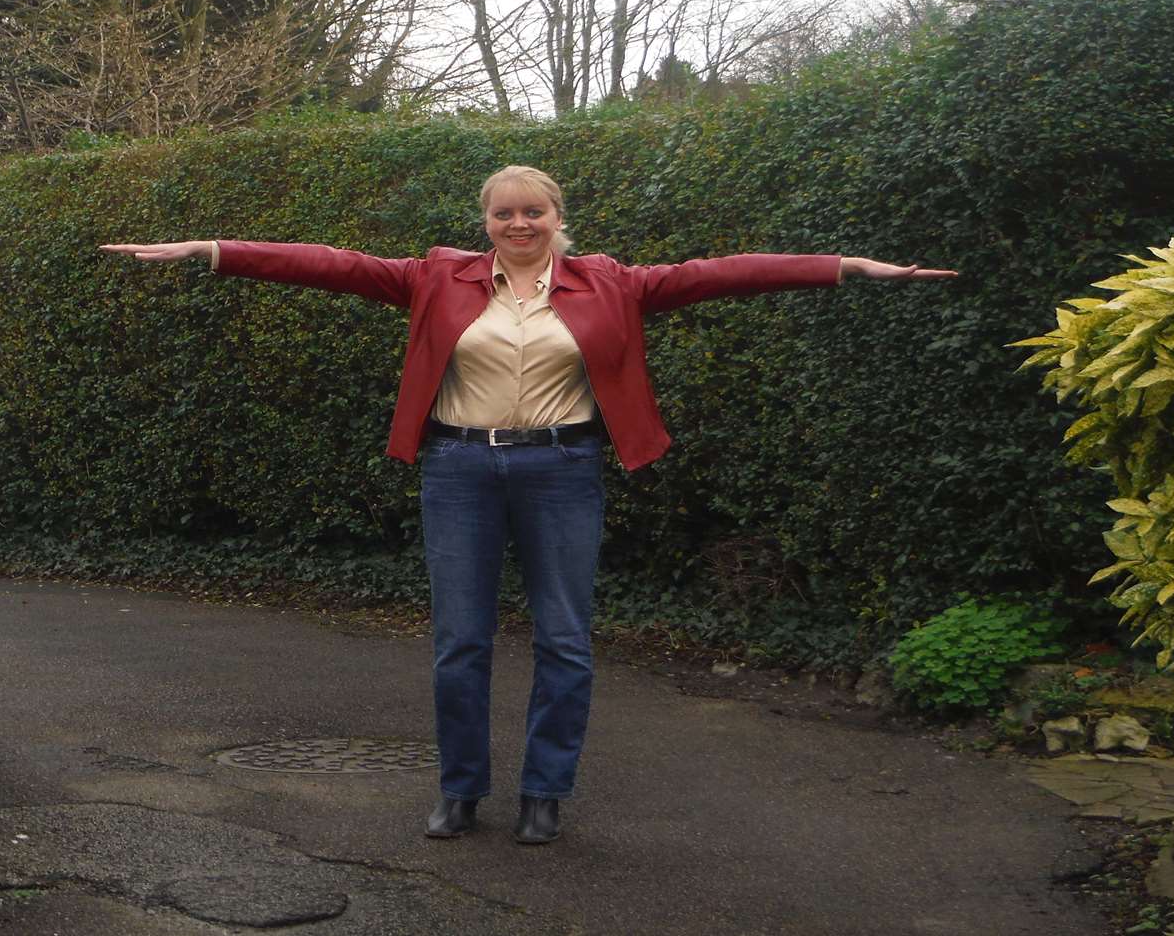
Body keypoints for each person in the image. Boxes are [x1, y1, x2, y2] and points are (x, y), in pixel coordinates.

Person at [102, 165, 956, 845]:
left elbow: (724, 275)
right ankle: (460, 792)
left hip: (562, 470)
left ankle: (546, 793)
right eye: (504, 213)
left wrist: (845, 267)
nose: (518, 224)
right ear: (486, 221)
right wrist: (207, 248)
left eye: (533, 213)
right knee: (460, 641)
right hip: (460, 472)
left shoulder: (610, 282)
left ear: (556, 218)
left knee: (563, 638)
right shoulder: (437, 278)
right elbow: (328, 264)